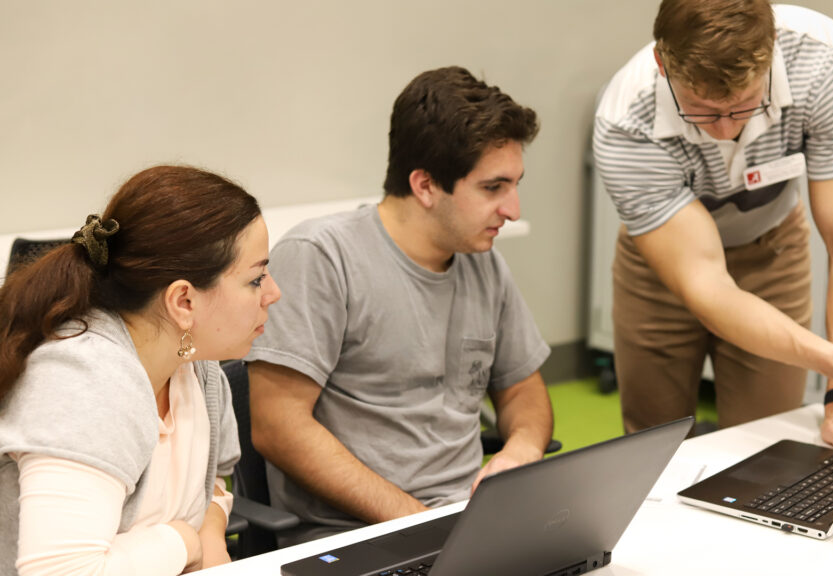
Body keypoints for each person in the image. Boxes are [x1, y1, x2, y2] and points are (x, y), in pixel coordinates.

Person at [592, 0, 833, 451]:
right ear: (661, 63)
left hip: (773, 249)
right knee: (652, 450)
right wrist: (830, 358)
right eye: (702, 110)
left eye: (744, 105)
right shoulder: (625, 121)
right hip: (662, 271)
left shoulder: (827, 60)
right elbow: (709, 288)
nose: (725, 129)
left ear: (772, 53)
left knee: (769, 444)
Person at [246, 66, 553, 544]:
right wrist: (423, 525)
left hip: (466, 525)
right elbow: (277, 427)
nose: (513, 209)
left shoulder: (482, 261)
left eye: (515, 184)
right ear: (425, 185)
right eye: (493, 188)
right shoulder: (323, 257)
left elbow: (522, 390)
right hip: (351, 536)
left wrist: (523, 450)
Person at [0, 166, 282, 575]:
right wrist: (184, 542)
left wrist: (209, 535)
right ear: (183, 302)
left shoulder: (196, 367)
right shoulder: (83, 382)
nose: (273, 293)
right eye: (256, 279)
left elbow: (216, 485)